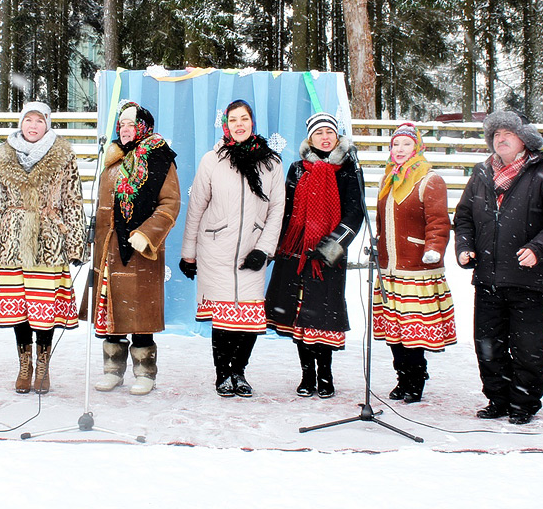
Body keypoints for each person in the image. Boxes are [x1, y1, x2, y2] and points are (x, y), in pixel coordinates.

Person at [454, 110, 543, 425]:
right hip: (487, 279)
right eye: (495, 134)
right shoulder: (481, 174)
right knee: (488, 346)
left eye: (508, 132)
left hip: (526, 280)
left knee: (527, 349)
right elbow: (464, 216)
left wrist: (538, 248)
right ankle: (498, 399)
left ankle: (523, 404)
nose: (500, 138)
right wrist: (465, 246)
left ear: (525, 139)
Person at [180, 100, 285, 398]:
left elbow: (277, 209)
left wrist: (264, 249)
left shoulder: (271, 162)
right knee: (224, 320)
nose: (240, 124)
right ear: (226, 124)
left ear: (252, 122)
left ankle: (239, 371)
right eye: (234, 119)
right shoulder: (211, 160)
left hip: (253, 249)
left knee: (249, 320)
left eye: (245, 119)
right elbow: (196, 207)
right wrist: (189, 253)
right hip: (215, 249)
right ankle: (222, 374)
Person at [0, 101, 86, 394]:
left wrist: (76, 244)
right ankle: (24, 365)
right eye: (29, 120)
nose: (33, 126)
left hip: (48, 240)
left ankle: (43, 365)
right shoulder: (4, 157)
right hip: (11, 241)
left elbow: (73, 201)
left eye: (39, 121)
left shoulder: (63, 156)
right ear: (21, 124)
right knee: (20, 310)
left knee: (43, 307)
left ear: (47, 125)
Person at [265, 112, 362, 399]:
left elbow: (355, 213)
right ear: (310, 138)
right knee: (300, 316)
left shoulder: (348, 169)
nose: (325, 137)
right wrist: (276, 245)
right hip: (297, 251)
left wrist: (331, 246)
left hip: (328, 256)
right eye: (319, 133)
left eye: (329, 132)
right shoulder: (297, 169)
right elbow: (285, 209)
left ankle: (326, 374)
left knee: (323, 316)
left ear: (336, 137)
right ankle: (307, 374)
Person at [88, 101, 180, 395]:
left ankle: (145, 372)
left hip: (140, 248)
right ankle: (113, 369)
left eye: (131, 124)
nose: (126, 130)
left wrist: (147, 233)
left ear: (144, 127)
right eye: (122, 125)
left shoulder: (160, 158)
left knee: (140, 313)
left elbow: (170, 203)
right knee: (112, 311)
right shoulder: (112, 159)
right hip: (108, 248)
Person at [371, 122, 455, 403]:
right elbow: (382, 223)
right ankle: (402, 376)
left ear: (417, 147)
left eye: (406, 144)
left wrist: (434, 249)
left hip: (416, 269)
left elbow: (439, 222)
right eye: (395, 145)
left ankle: (416, 379)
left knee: (412, 329)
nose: (400, 150)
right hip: (389, 269)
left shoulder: (430, 180)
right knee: (394, 328)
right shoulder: (388, 180)